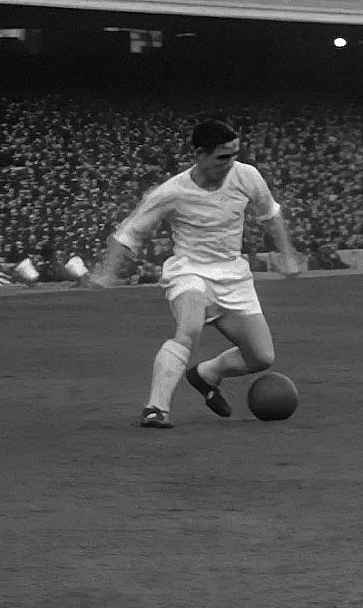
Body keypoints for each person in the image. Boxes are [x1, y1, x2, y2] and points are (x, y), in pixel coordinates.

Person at [86, 119, 304, 429]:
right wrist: (107, 272)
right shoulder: (172, 191)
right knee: (189, 328)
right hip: (190, 271)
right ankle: (156, 408)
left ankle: (207, 373)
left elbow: (271, 214)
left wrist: (288, 255)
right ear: (200, 154)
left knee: (261, 357)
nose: (231, 163)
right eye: (223, 157)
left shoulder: (247, 176)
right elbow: (128, 233)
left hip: (233, 276)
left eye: (234, 154)